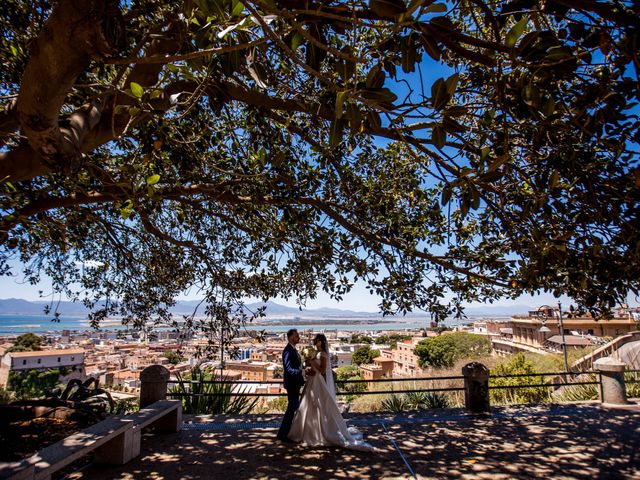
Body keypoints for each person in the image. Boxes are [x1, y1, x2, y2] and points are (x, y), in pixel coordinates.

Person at [288, 333, 375, 452]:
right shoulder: (314, 352)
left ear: (321, 342)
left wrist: (312, 363)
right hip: (311, 380)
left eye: (316, 339)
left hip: (318, 380)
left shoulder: (323, 354)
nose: (314, 340)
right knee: (307, 404)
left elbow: (323, 370)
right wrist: (308, 367)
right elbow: (309, 366)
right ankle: (307, 431)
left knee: (319, 404)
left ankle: (318, 433)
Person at [277, 328, 313, 442]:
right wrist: (302, 371)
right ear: (291, 337)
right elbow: (288, 369)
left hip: (295, 383)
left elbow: (296, 366)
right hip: (292, 384)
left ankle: (287, 433)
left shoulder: (293, 350)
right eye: (297, 336)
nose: (299, 337)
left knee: (293, 408)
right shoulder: (288, 351)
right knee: (292, 407)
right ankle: (283, 434)